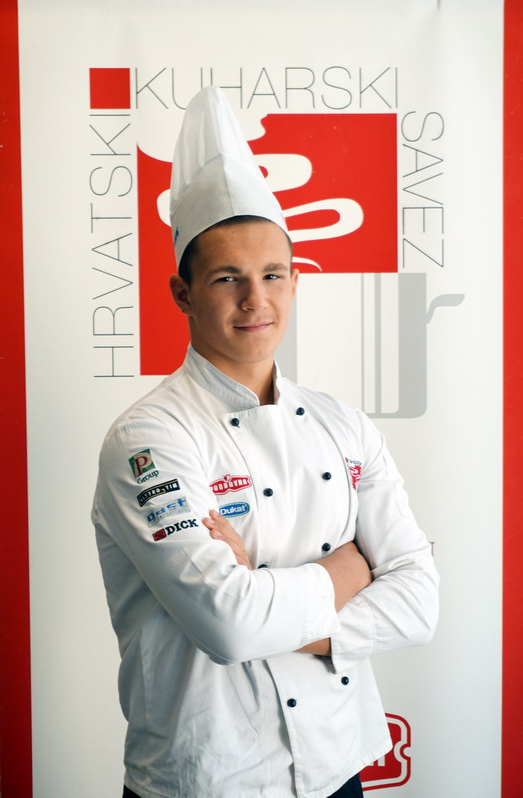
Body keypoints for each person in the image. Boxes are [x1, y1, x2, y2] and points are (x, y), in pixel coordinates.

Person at [92, 87, 439, 798]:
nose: (256, 299)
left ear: (294, 281)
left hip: (338, 764)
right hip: (206, 775)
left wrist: (265, 596)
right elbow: (228, 625)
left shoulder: (344, 425)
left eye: (272, 275)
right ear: (182, 294)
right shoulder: (148, 439)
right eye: (227, 279)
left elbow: (418, 603)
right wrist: (346, 573)